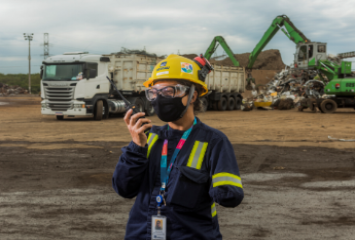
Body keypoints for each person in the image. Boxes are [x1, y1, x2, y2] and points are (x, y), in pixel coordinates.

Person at [112, 54, 244, 240]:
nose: (159, 98)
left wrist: (223, 190)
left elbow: (231, 196)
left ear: (192, 96)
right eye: (155, 92)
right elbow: (123, 189)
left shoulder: (214, 141)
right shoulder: (146, 137)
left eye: (169, 91)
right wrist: (136, 147)